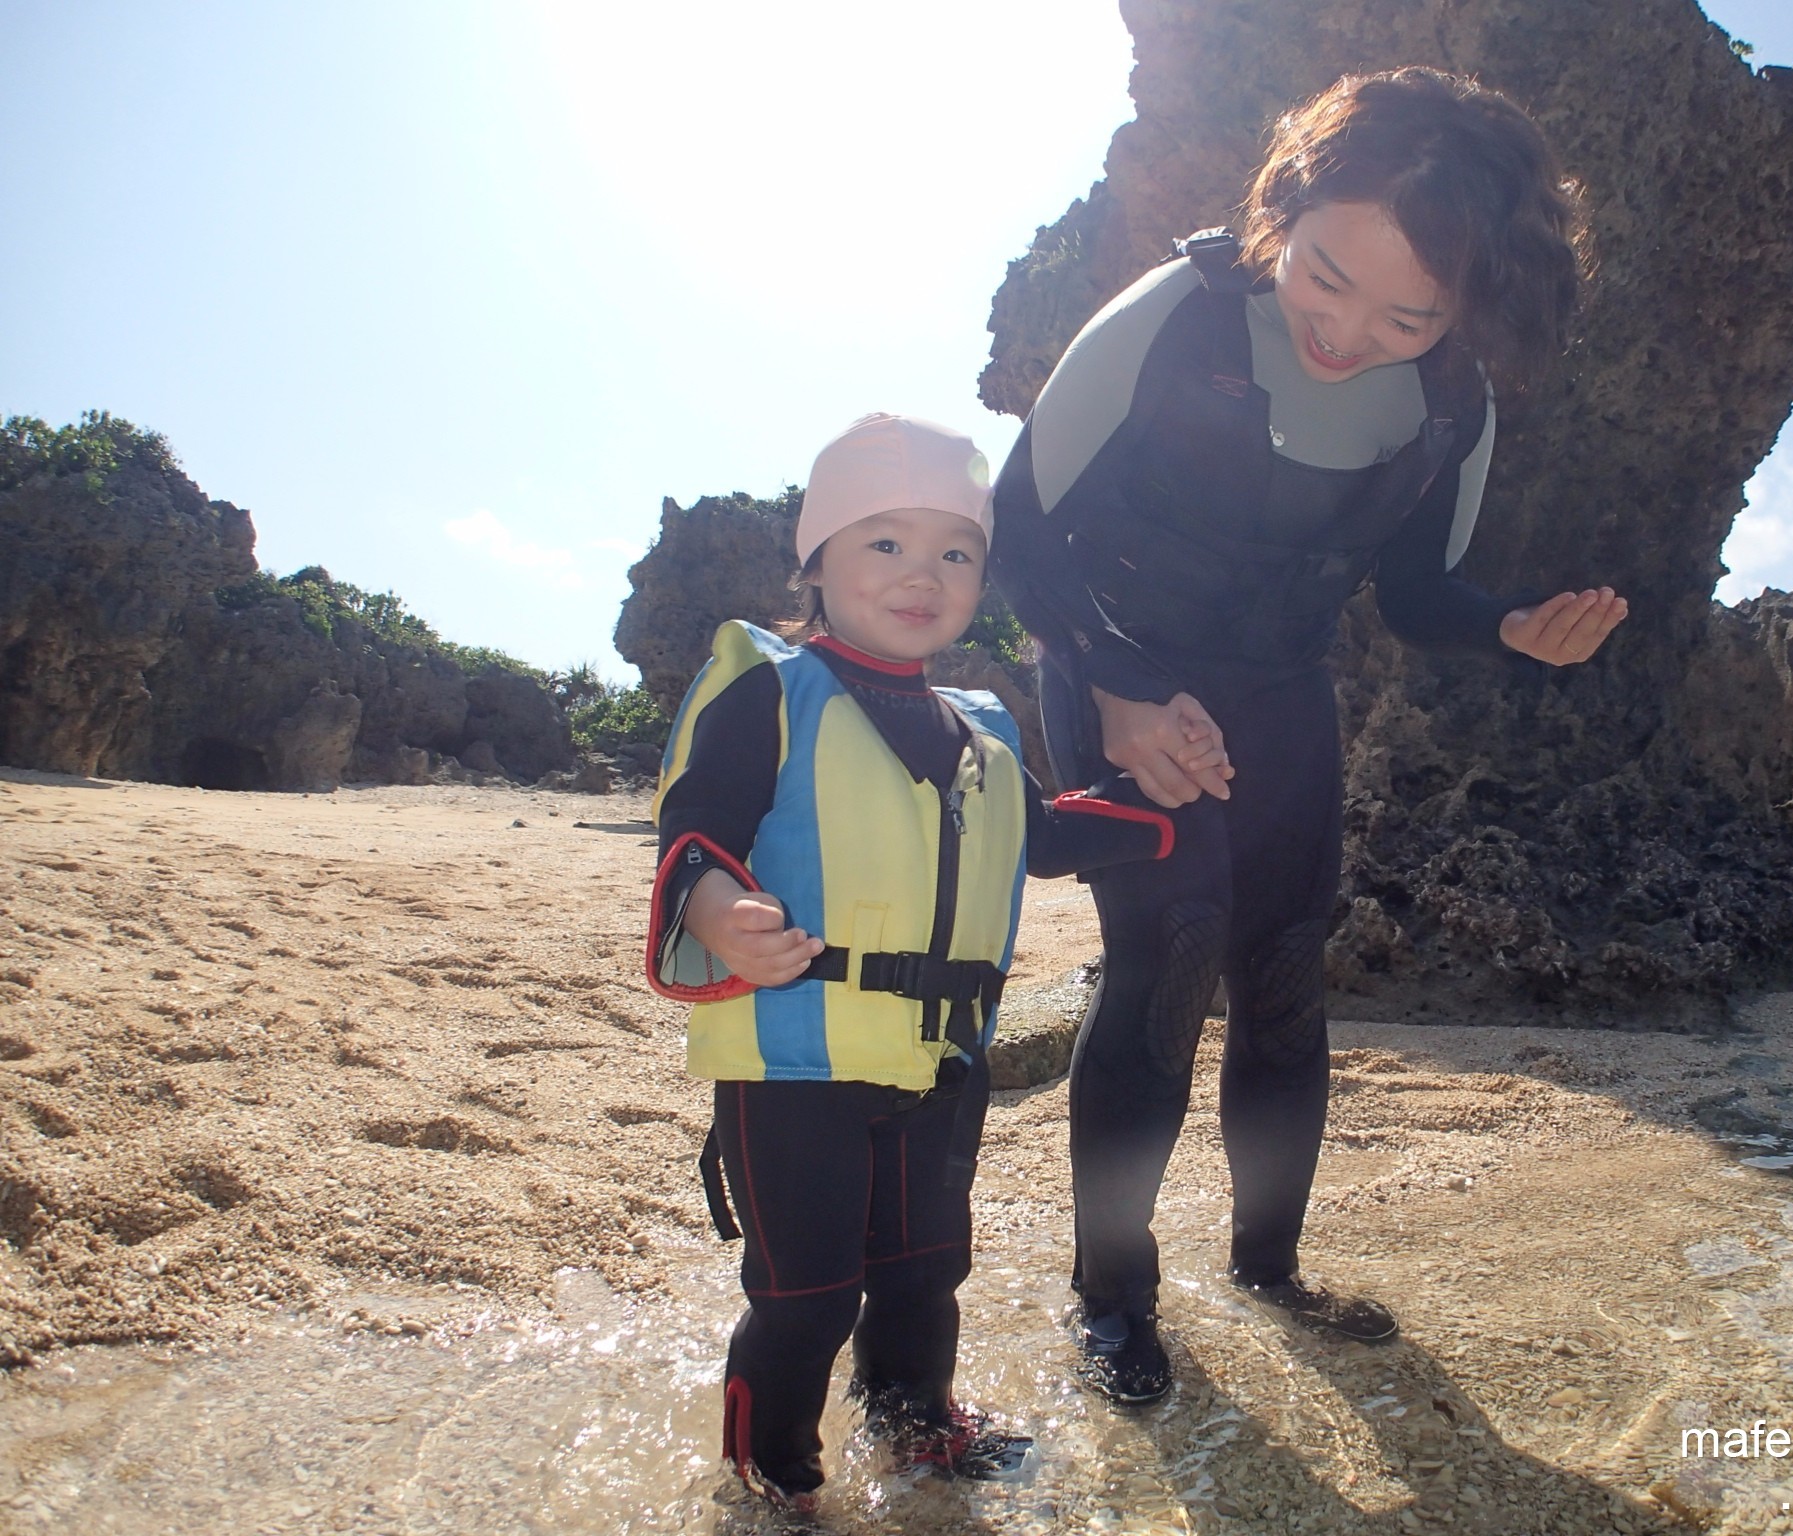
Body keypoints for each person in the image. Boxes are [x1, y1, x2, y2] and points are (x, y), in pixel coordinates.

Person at [989, 67, 1628, 1405]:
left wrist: (1512, 627)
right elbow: (1020, 528)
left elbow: (1417, 594)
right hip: (1120, 666)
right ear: (1286, 208)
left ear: (1466, 310)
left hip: (1281, 699)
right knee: (1165, 961)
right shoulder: (1174, 316)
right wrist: (1111, 689)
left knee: (1282, 982)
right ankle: (1111, 1298)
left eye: (1410, 313)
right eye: (1324, 277)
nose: (1347, 332)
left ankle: (1269, 1267)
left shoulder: (1452, 408)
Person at [644, 413, 1173, 1506]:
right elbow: (694, 829)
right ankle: (771, 1481)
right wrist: (720, 904)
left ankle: (916, 1428)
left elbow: (1038, 834)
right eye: (882, 542)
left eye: (955, 551)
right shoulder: (766, 688)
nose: (920, 574)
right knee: (806, 1294)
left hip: (938, 1066)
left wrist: (1162, 815)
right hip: (795, 1066)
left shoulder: (978, 725)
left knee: (926, 1271)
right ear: (818, 559)